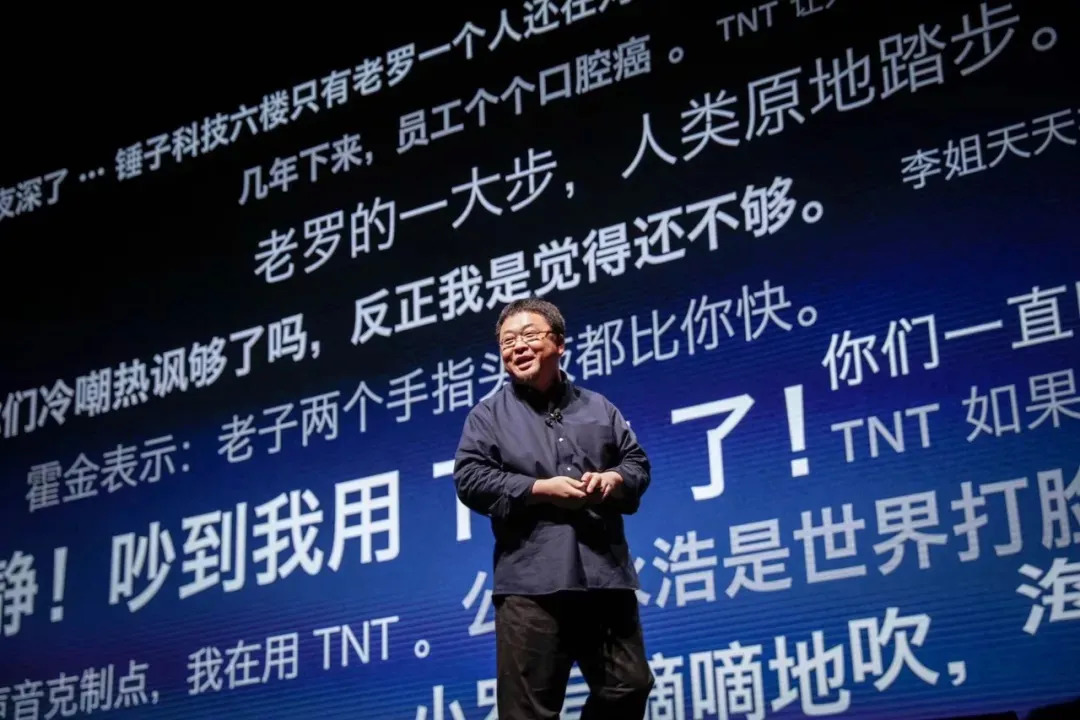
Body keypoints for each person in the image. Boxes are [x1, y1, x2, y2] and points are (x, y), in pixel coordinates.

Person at [453, 297, 654, 719]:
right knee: (527, 713)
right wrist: (539, 489)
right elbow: (470, 479)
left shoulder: (599, 407)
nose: (517, 347)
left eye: (529, 335)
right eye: (507, 342)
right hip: (531, 584)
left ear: (559, 343)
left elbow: (636, 463)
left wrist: (614, 480)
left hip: (603, 576)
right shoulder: (487, 416)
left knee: (629, 685)